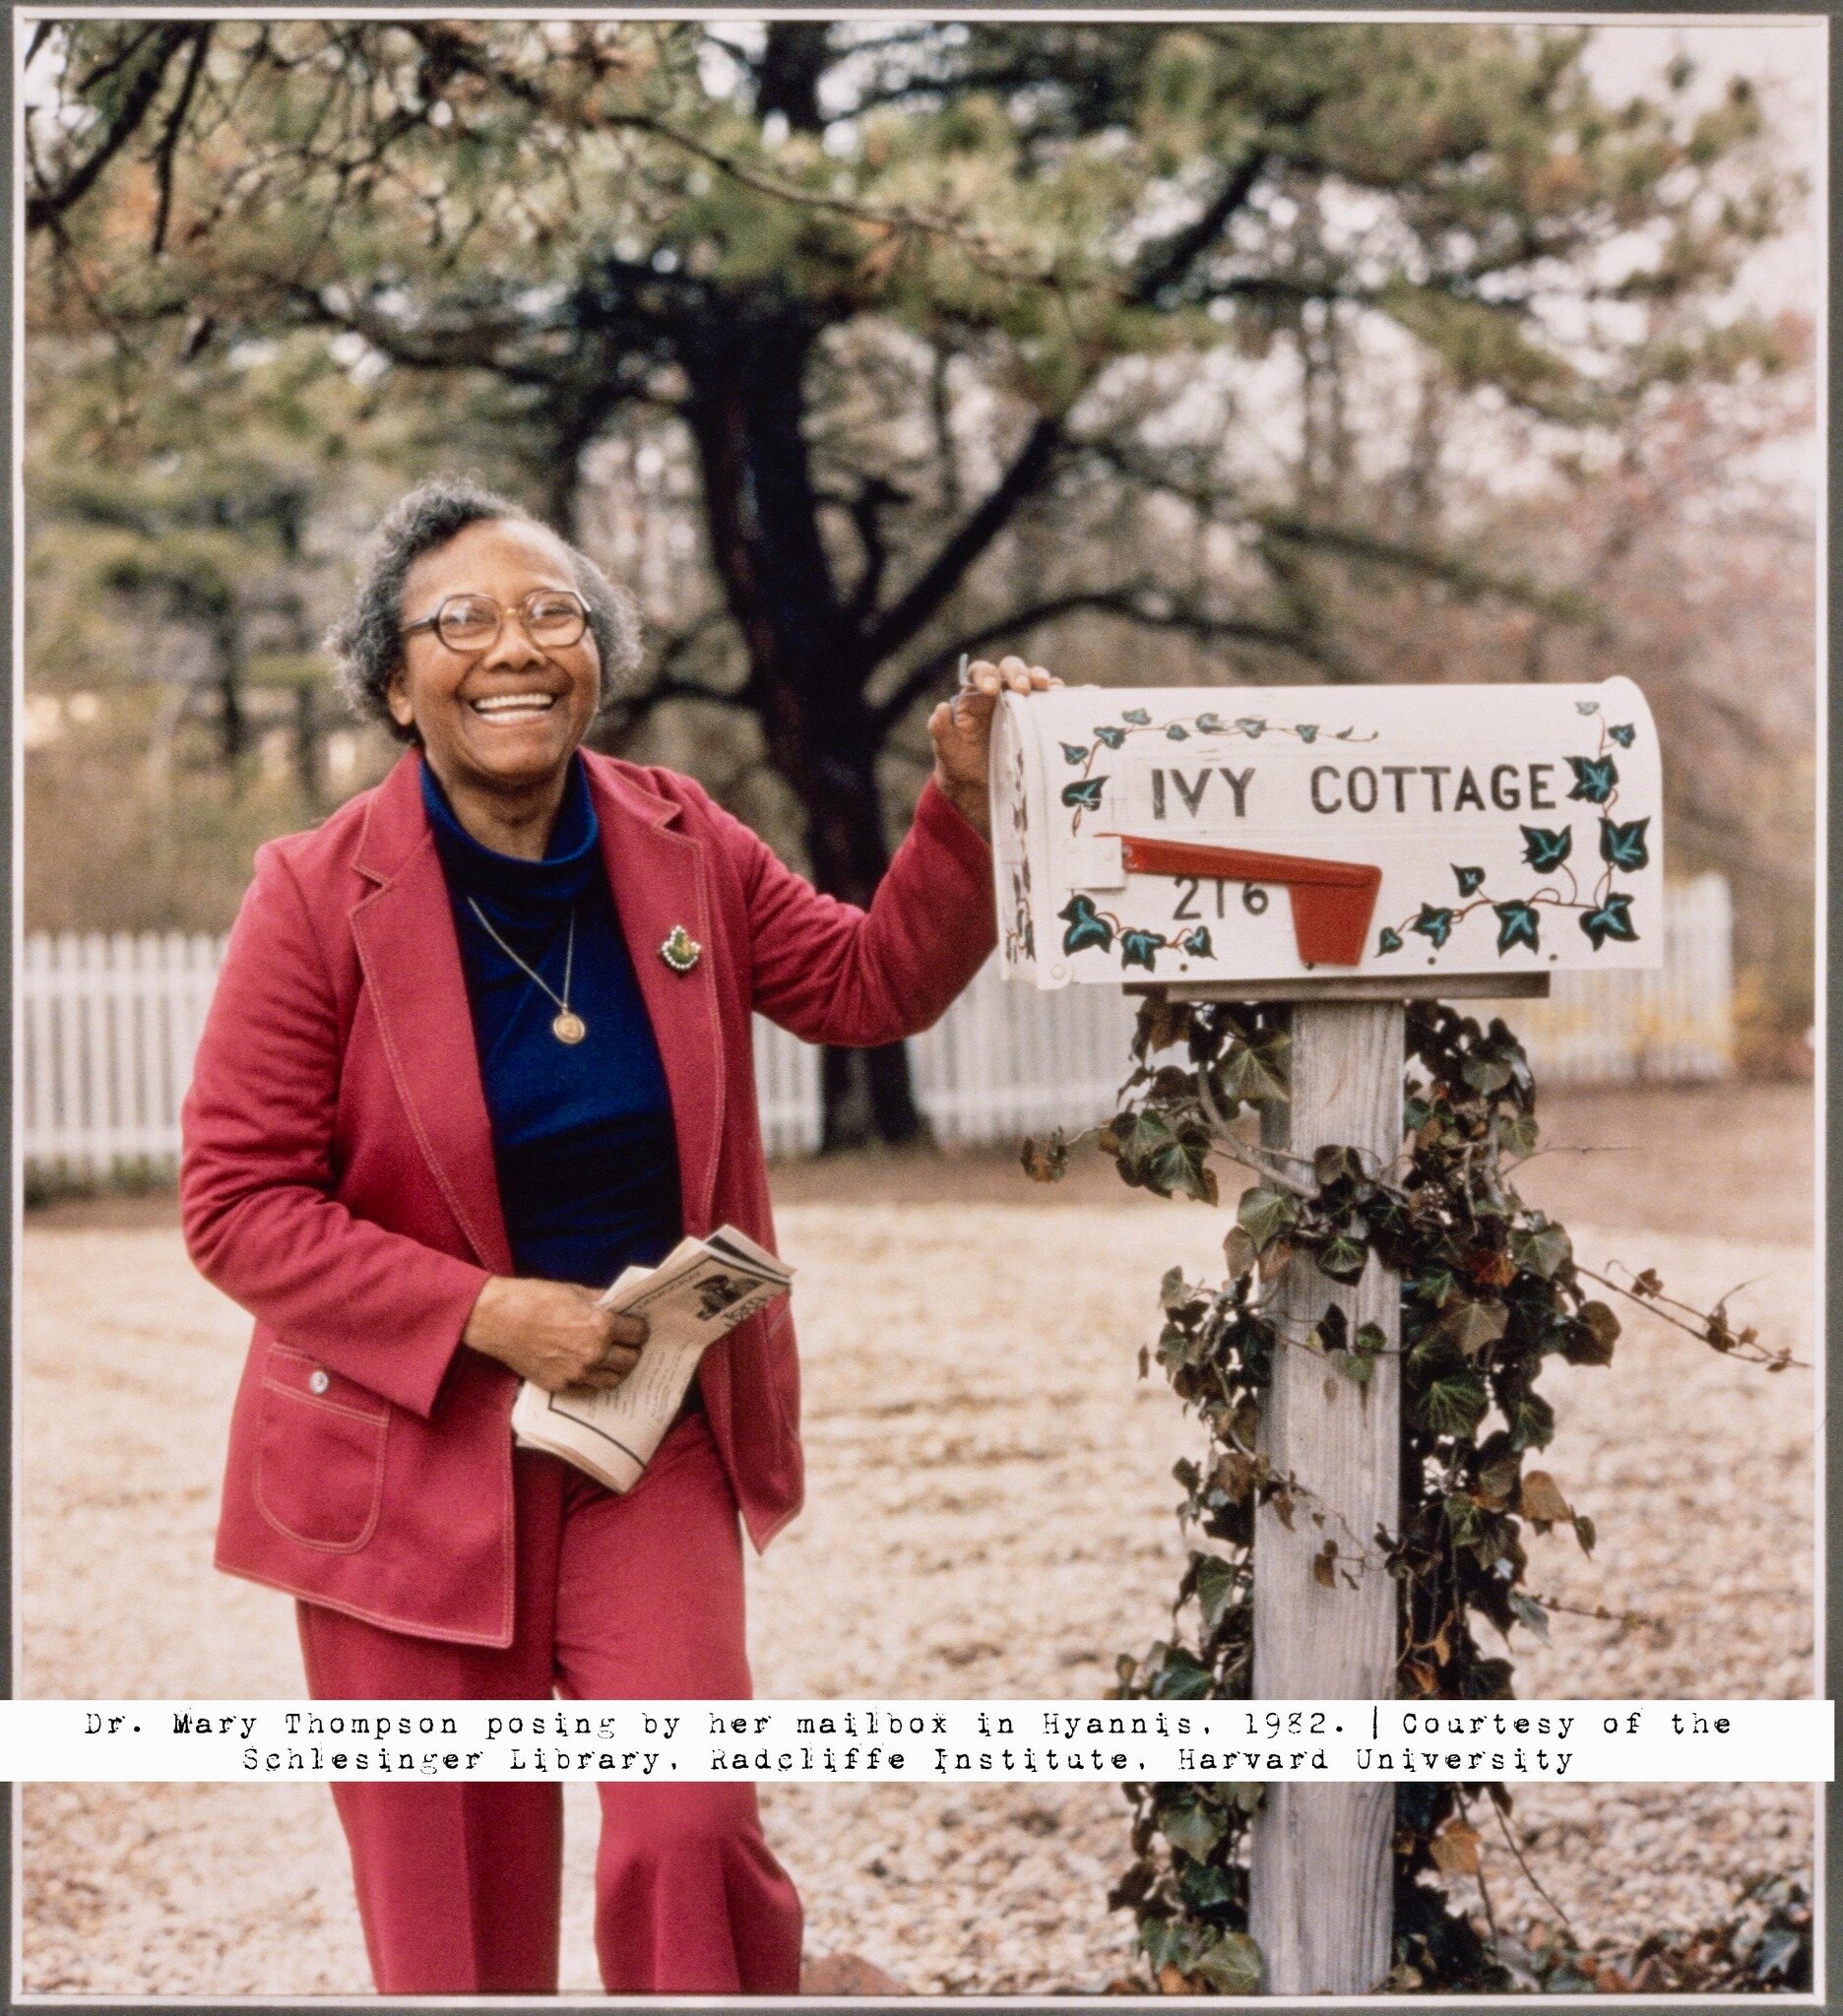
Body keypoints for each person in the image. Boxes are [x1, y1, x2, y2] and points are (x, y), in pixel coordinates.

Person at [178, 476, 1056, 1995]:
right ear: (396, 682)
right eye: (458, 620)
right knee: (455, 1912)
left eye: (550, 613)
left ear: (597, 657)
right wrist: (486, 1313)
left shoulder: (681, 837)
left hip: (647, 1436)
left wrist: (966, 808)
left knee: (688, 1837)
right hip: (404, 1463)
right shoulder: (315, 894)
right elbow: (238, 1204)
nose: (511, 645)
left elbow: (864, 988)